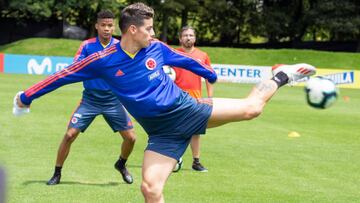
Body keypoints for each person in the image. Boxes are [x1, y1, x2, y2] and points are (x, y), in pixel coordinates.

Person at [13, 3, 316, 202]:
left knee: (252, 109)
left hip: (186, 110)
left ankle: (281, 76)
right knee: (150, 189)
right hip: (161, 134)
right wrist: (25, 98)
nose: (154, 32)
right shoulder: (101, 60)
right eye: (149, 28)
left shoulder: (156, 47)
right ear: (132, 30)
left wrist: (208, 71)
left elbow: (184, 60)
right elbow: (63, 76)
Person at [46, 10, 137, 185]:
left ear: (114, 27)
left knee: (131, 138)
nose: (107, 29)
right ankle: (57, 173)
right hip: (90, 100)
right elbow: (76, 66)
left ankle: (121, 164)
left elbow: (129, 70)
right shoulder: (87, 46)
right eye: (103, 25)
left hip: (113, 101)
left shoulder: (122, 46)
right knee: (69, 135)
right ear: (97, 26)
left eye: (110, 25)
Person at [172, 26, 213, 172]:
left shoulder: (203, 55)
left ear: (195, 38)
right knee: (174, 128)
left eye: (191, 35)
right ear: (180, 38)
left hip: (196, 97)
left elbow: (209, 77)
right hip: (177, 96)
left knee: (195, 130)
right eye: (185, 35)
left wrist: (209, 97)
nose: (188, 38)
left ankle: (196, 161)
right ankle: (173, 157)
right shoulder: (173, 54)